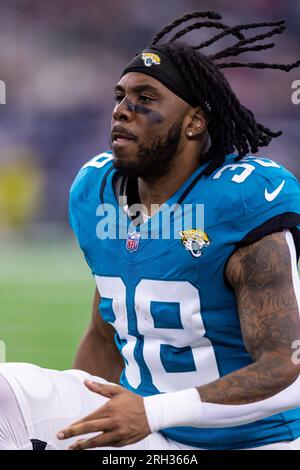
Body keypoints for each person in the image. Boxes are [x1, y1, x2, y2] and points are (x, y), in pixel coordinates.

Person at [1, 10, 300, 451]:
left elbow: (286, 367)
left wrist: (154, 411)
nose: (122, 111)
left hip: (251, 441)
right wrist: (84, 428)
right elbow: (106, 332)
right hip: (148, 427)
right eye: (120, 96)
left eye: (145, 98)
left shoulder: (240, 200)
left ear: (194, 122)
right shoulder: (96, 189)